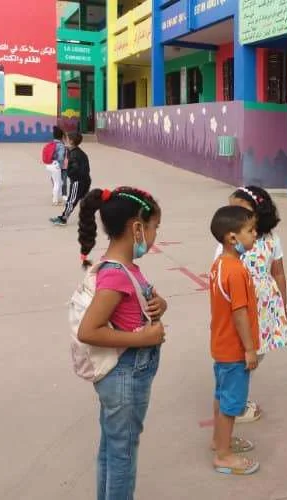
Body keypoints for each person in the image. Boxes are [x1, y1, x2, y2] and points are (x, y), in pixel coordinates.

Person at [75, 186, 167, 499]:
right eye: (155, 227)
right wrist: (145, 337)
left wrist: (159, 305)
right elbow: (88, 330)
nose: (155, 236)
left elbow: (134, 304)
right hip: (125, 377)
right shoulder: (115, 275)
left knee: (112, 448)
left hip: (125, 377)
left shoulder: (126, 269)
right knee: (123, 455)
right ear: (137, 228)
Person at [213, 186, 287, 424]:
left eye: (239, 208)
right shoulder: (231, 242)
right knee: (239, 355)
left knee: (255, 354)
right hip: (240, 306)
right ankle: (234, 403)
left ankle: (236, 396)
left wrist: (282, 307)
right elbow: (219, 275)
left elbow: (278, 273)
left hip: (265, 308)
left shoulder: (271, 239)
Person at [208, 205, 261, 475]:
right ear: (232, 238)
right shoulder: (236, 272)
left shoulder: (219, 265)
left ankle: (220, 441)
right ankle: (223, 455)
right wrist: (249, 349)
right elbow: (239, 313)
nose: (255, 234)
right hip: (234, 350)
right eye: (250, 230)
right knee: (232, 403)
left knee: (221, 397)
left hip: (220, 345)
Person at [51, 131, 90, 226]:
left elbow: (75, 169)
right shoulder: (78, 152)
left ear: (71, 142)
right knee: (84, 200)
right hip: (85, 180)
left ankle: (63, 218)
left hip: (78, 181)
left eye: (67, 139)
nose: (65, 141)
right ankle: (87, 217)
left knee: (71, 200)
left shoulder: (75, 155)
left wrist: (70, 174)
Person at [44, 126, 67, 205]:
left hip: (49, 165)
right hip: (56, 165)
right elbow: (60, 157)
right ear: (61, 136)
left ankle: (58, 197)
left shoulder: (51, 144)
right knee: (58, 182)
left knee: (56, 181)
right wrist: (60, 164)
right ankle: (55, 200)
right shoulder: (61, 145)